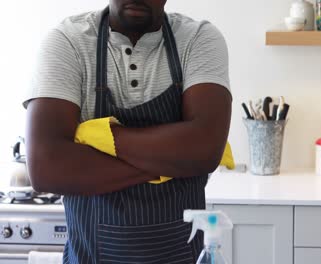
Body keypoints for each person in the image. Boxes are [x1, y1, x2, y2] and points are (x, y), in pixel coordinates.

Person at [23, 0, 232, 263]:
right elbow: (46, 169)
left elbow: (204, 150)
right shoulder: (68, 41)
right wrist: (176, 161)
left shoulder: (198, 39)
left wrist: (101, 138)